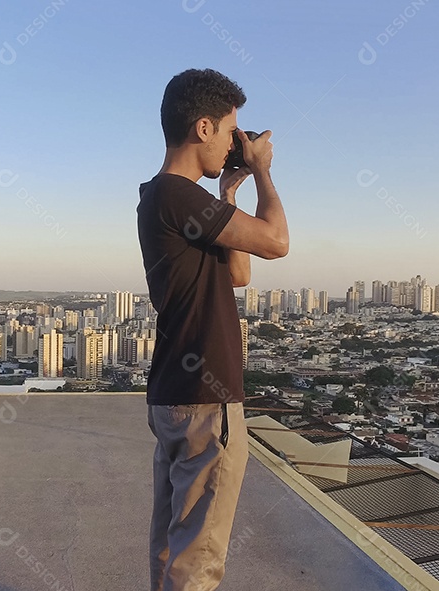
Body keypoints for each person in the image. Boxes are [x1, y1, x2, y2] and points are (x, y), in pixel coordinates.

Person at [136, 68, 290, 591]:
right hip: (205, 396)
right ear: (203, 128)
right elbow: (275, 241)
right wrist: (264, 172)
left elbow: (240, 274)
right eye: (229, 132)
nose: (234, 144)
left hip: (177, 395)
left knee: (172, 545)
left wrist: (227, 191)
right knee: (199, 558)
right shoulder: (176, 195)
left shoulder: (172, 201)